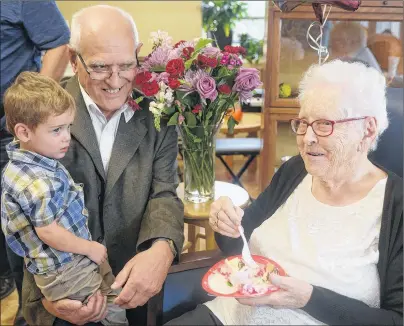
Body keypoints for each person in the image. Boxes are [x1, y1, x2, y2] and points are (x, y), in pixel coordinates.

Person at [167, 60, 403, 325]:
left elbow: (396, 319)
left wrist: (308, 299)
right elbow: (238, 246)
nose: (307, 138)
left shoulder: (396, 205)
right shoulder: (294, 171)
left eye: (324, 124)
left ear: (367, 129)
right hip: (229, 316)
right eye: (303, 123)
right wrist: (225, 223)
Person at [21, 5, 184, 326]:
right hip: (58, 294)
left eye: (126, 65)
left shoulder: (159, 114)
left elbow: (165, 193)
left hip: (132, 289)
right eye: (99, 67)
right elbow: (22, 213)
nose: (115, 80)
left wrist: (163, 248)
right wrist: (47, 296)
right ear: (72, 59)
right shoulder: (39, 115)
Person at [2, 71, 128, 326]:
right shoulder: (37, 183)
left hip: (68, 260)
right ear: (24, 132)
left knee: (111, 290)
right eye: (56, 129)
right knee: (105, 311)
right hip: (65, 268)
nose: (66, 137)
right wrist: (89, 248)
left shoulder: (22, 163)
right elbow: (49, 232)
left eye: (68, 127)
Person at [0, 1, 70, 318]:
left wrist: (31, 114)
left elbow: (58, 44)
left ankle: (30, 315)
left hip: (12, 132)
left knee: (24, 235)